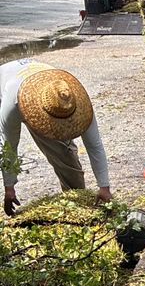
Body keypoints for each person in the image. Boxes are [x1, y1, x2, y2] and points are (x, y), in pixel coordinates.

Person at [1, 59, 112, 215]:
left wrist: (104, 187)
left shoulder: (77, 100)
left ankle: (76, 201)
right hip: (13, 91)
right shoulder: (13, 103)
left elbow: (95, 146)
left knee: (65, 155)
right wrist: (9, 188)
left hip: (40, 86)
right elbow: (8, 146)